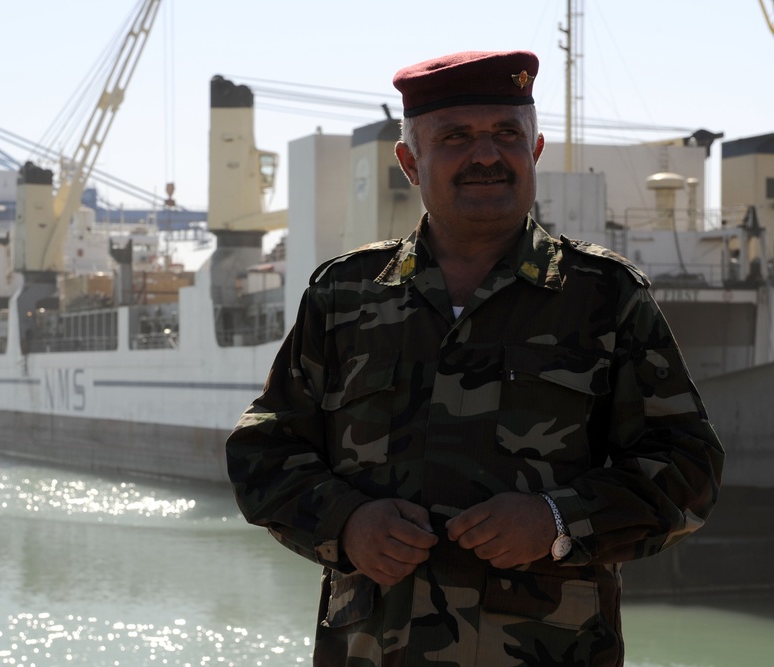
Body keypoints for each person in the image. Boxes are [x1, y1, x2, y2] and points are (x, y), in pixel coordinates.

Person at [225, 50, 724, 667]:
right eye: (457, 136)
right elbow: (263, 451)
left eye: (506, 134)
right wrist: (346, 524)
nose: (486, 154)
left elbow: (689, 466)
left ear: (534, 150)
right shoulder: (343, 296)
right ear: (411, 161)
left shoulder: (606, 298)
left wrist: (559, 520)